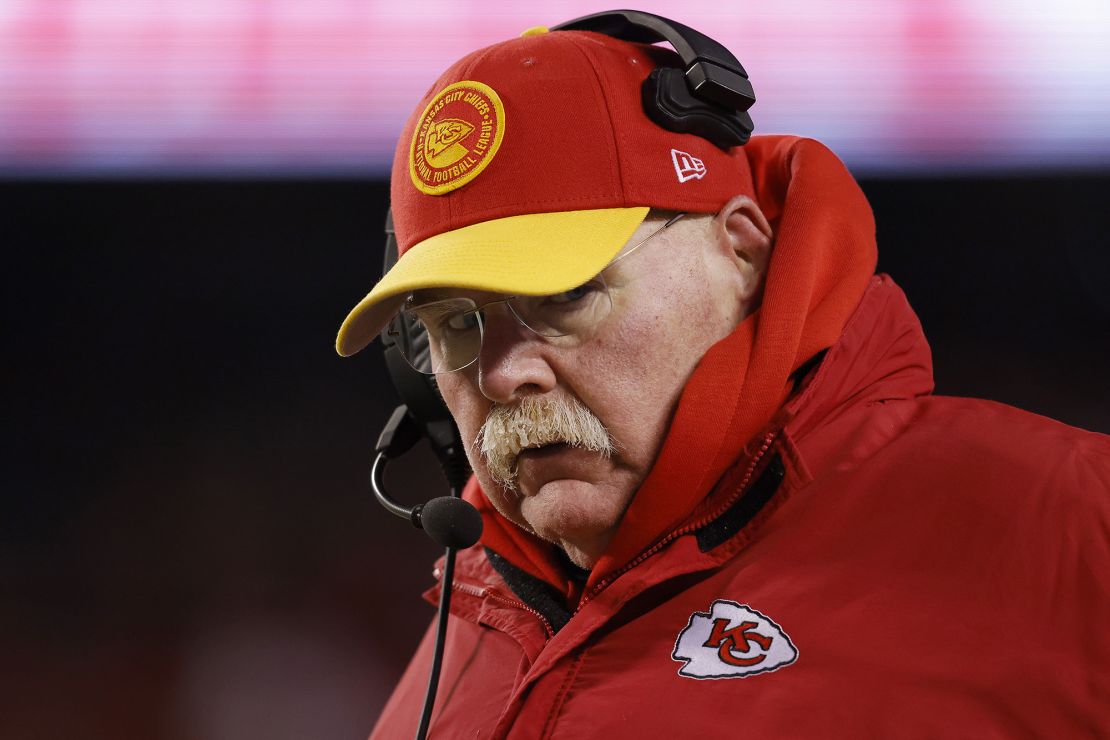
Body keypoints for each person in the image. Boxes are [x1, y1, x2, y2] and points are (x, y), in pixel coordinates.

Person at [335, 19, 1110, 739]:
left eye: (564, 296)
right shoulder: (462, 639)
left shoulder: (1069, 523)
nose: (504, 375)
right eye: (456, 325)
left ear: (741, 253)